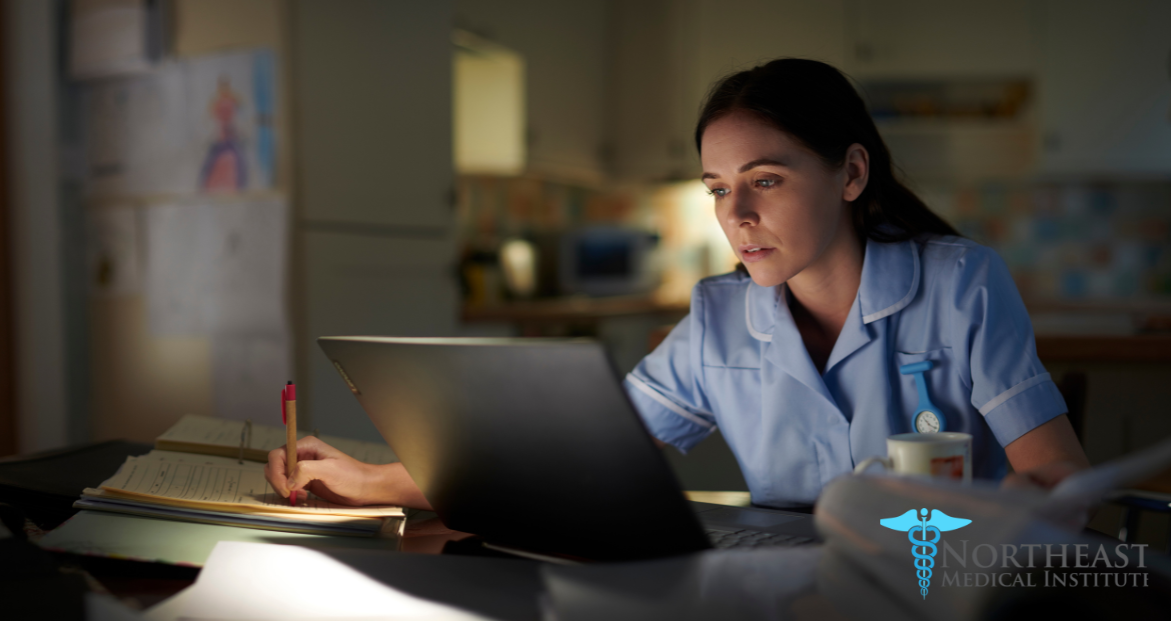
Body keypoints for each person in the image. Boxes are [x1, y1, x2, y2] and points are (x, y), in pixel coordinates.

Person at [265, 58, 1087, 511]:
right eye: (719, 188)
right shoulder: (719, 321)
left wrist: (1009, 522)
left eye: (765, 180)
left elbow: (1060, 483)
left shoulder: (963, 286)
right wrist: (381, 481)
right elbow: (570, 457)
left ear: (851, 173)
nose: (737, 214)